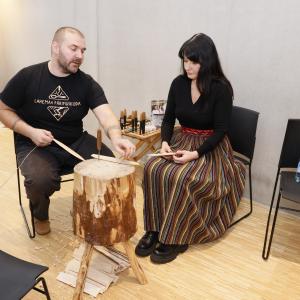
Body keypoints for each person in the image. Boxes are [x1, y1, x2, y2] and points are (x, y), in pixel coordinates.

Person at [0, 26, 135, 235]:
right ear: (55, 47)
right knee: (40, 180)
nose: (80, 56)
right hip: (34, 143)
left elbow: (105, 114)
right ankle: (40, 215)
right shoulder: (28, 76)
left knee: (109, 166)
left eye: (83, 50)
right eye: (74, 48)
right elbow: (3, 109)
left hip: (75, 141)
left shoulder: (86, 83)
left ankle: (95, 212)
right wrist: (30, 132)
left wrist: (116, 137)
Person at [135, 33, 245, 264]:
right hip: (182, 139)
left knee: (184, 176)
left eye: (194, 62)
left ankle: (177, 235)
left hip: (210, 148)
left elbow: (220, 131)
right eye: (185, 61)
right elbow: (167, 121)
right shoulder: (178, 84)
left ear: (207, 61)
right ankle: (155, 229)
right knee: (152, 167)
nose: (188, 66)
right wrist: (165, 142)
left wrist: (195, 154)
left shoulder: (221, 89)